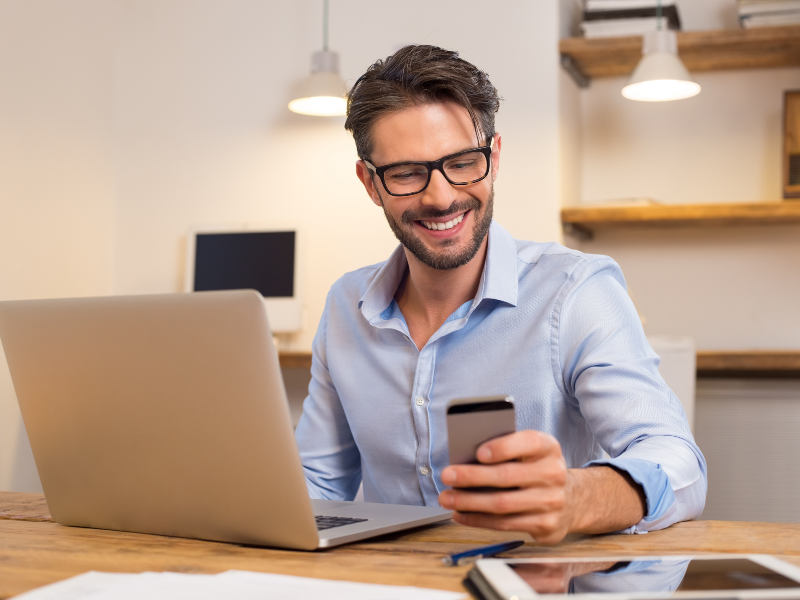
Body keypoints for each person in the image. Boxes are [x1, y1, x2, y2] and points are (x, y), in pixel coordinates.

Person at [294, 45, 706, 544]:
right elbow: (317, 488)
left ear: (494, 157)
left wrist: (579, 497)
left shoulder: (576, 292)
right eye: (406, 173)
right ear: (370, 183)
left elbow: (675, 460)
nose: (441, 196)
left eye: (464, 163)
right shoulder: (346, 306)